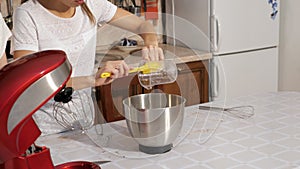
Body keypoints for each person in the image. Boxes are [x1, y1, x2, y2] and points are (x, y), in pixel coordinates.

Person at [11, 0, 164, 135]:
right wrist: (91, 79)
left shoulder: (92, 5)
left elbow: (142, 25)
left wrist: (151, 43)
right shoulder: (28, 14)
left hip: (84, 122)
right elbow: (29, 82)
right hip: (43, 129)